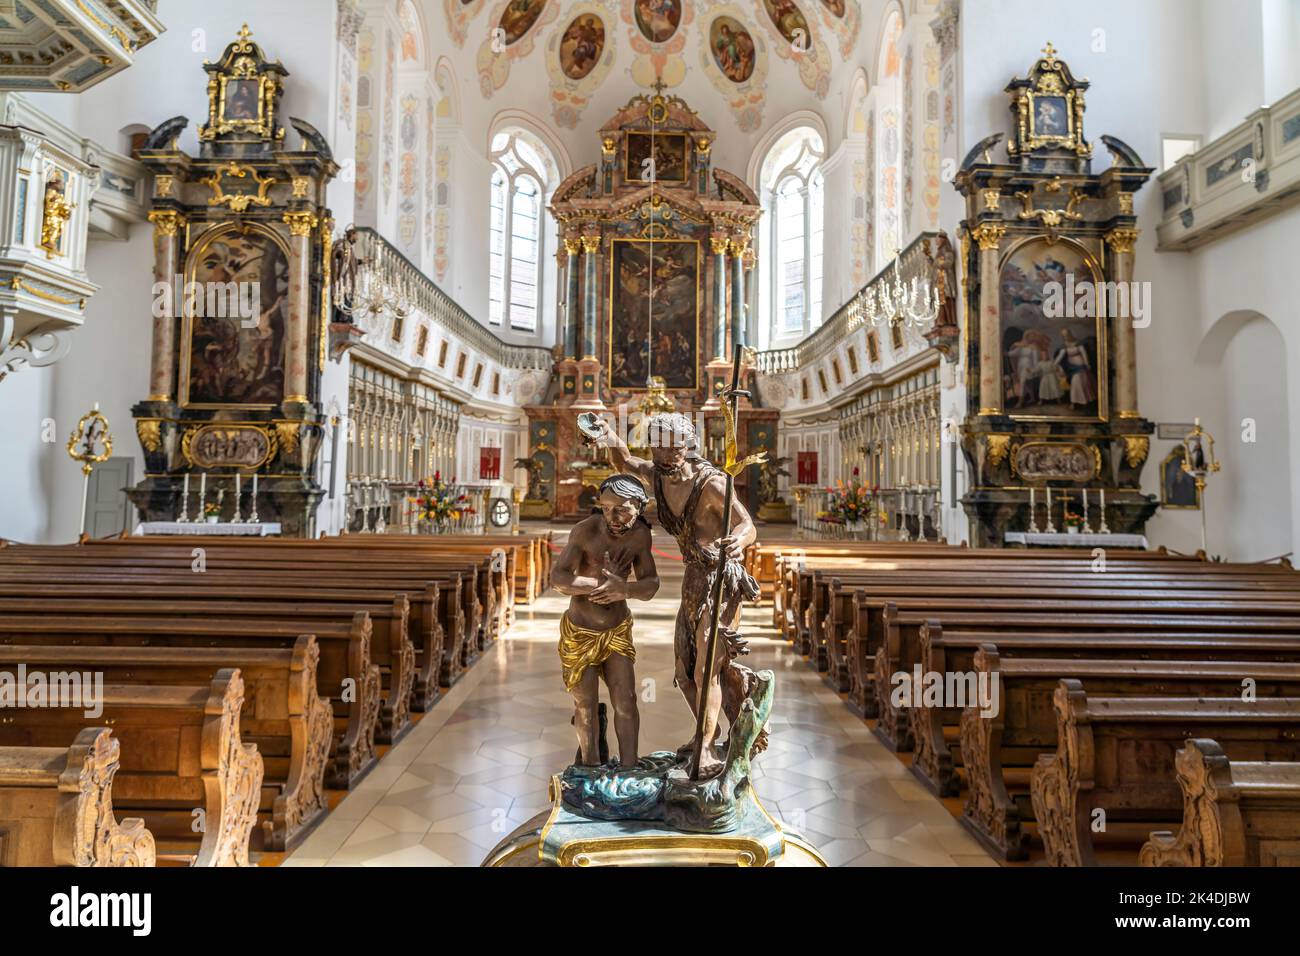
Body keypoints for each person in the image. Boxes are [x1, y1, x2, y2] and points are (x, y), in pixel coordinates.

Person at [588, 412, 764, 778]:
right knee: (684, 673)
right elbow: (624, 461)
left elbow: (746, 524)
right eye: (657, 446)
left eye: (670, 447)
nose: (662, 455)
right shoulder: (657, 475)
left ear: (687, 445)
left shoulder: (712, 483)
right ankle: (708, 732)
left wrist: (738, 540)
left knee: (706, 669)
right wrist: (607, 434)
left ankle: (706, 748)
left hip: (720, 579)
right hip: (693, 578)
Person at [551, 474, 660, 768]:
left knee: (626, 701)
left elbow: (651, 584)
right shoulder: (585, 531)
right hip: (580, 630)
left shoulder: (640, 535)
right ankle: (590, 768)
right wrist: (598, 585)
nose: (612, 516)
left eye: (621, 509)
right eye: (606, 508)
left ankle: (629, 770)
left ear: (640, 506)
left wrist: (625, 589)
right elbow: (558, 577)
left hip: (616, 630)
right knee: (585, 705)